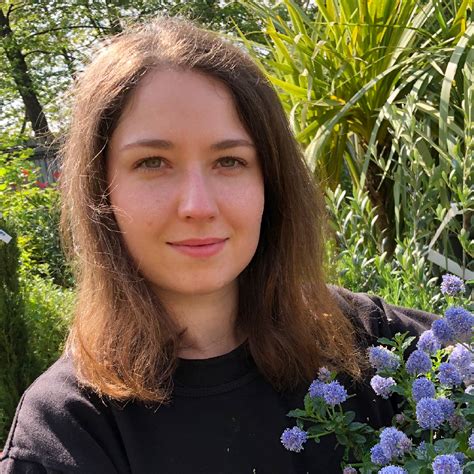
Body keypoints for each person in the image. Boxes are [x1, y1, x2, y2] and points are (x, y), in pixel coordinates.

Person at [0, 16, 434, 474]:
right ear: (100, 189)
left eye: (229, 160)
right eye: (152, 162)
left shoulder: (378, 345)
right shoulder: (66, 433)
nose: (197, 205)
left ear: (271, 182)